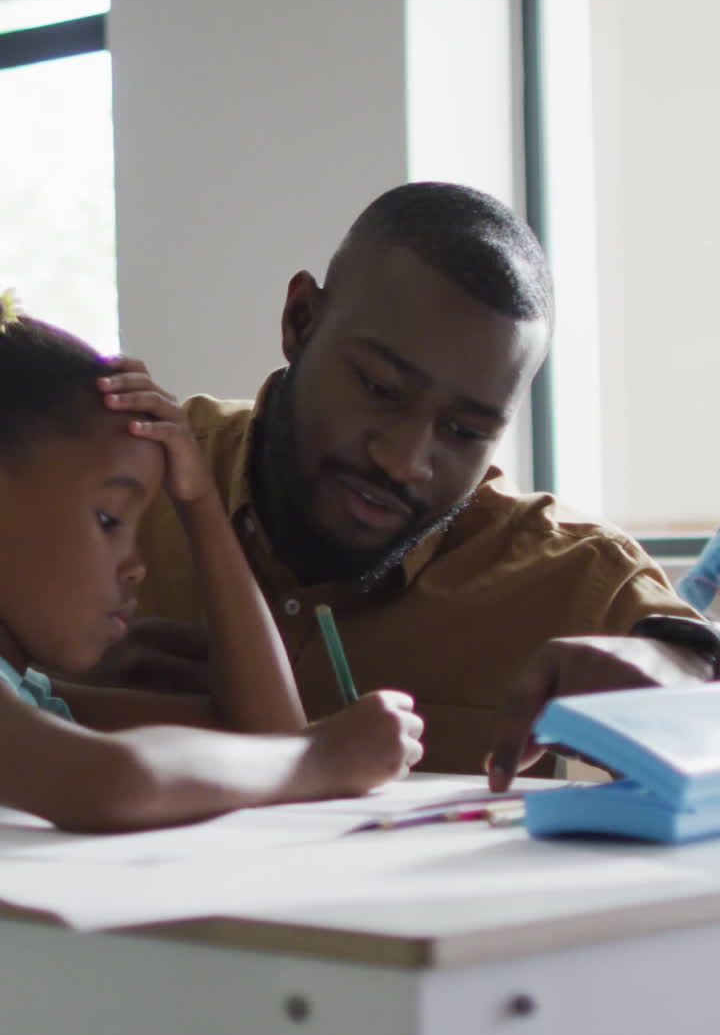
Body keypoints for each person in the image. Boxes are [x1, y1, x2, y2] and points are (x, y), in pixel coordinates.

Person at [94, 181, 716, 784]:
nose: (403, 460)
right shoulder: (120, 481)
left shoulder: (568, 579)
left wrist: (673, 671)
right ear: (300, 320)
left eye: (465, 430)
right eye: (380, 390)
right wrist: (76, 697)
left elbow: (701, 677)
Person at [0, 296, 423, 1035]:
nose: (136, 566)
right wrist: (320, 762)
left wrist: (200, 503)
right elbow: (119, 782)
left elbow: (263, 738)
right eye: (112, 518)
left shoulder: (28, 700)